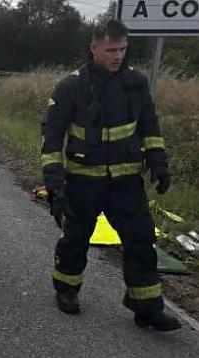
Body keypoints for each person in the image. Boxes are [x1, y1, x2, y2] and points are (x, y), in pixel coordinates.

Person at [40, 20, 180, 331]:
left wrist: (159, 163)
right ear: (94, 48)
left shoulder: (136, 83)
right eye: (111, 50)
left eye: (122, 49)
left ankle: (147, 308)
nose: (118, 56)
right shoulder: (71, 87)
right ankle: (66, 290)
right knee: (75, 239)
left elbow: (149, 126)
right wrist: (54, 180)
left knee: (141, 241)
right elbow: (51, 135)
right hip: (82, 180)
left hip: (126, 181)